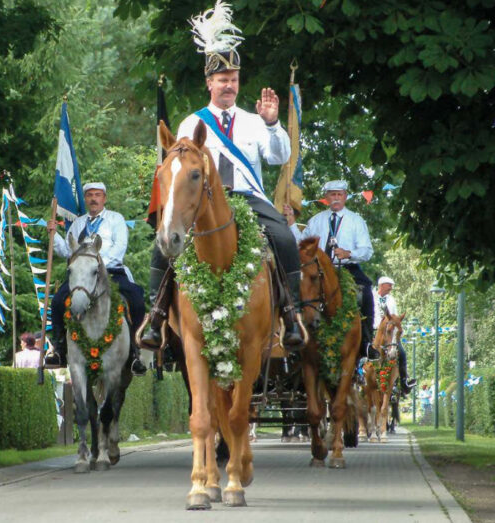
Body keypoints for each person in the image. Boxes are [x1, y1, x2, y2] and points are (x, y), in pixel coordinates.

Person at [140, 1, 307, 351]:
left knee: (286, 238)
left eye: (233, 80)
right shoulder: (191, 123)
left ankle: (292, 316)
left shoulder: (253, 120)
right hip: (204, 201)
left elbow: (280, 157)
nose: (228, 86)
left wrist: (274, 123)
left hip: (248, 198)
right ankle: (155, 317)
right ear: (209, 83)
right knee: (163, 243)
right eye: (222, 80)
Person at [43, 182, 147, 376]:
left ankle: (135, 353)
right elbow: (67, 251)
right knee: (57, 301)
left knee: (137, 299)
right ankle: (58, 350)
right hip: (82, 276)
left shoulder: (116, 219)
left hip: (112, 271)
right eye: (90, 195)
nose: (93, 199)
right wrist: (54, 235)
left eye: (97, 195)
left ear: (104, 198)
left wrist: (98, 264)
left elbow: (120, 247)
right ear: (86, 199)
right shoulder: (78, 223)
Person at [286, 180, 375, 358]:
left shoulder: (356, 221)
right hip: (317, 270)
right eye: (332, 194)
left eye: (339, 194)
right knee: (294, 289)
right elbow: (301, 245)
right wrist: (291, 224)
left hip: (346, 268)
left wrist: (349, 253)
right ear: (326, 198)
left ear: (345, 197)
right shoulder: (316, 220)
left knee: (365, 292)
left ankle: (366, 343)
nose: (335, 198)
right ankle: (294, 333)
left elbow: (367, 251)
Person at [373, 276, 416, 393]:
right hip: (373, 330)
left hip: (389, 332)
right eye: (389, 286)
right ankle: (356, 375)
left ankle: (404, 381)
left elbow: (395, 316)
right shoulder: (371, 296)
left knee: (402, 353)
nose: (391, 288)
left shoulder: (391, 300)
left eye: (391, 286)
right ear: (381, 285)